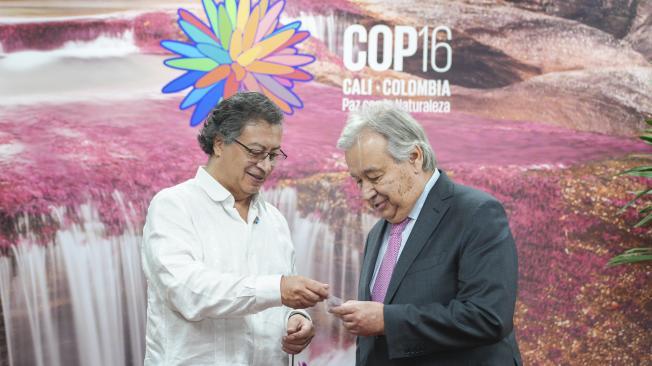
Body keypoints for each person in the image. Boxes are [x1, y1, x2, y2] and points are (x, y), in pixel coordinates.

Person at [141, 92, 329, 366]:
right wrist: (277, 289)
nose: (265, 166)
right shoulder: (174, 207)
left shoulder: (275, 220)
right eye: (255, 152)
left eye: (273, 155)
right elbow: (188, 293)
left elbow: (280, 300)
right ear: (219, 144)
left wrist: (296, 319)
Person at [330, 102, 522, 366]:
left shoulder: (476, 213)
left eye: (374, 176)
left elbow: (488, 317)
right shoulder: (377, 233)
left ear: (415, 157)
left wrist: (387, 320)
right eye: (358, 180)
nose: (365, 193)